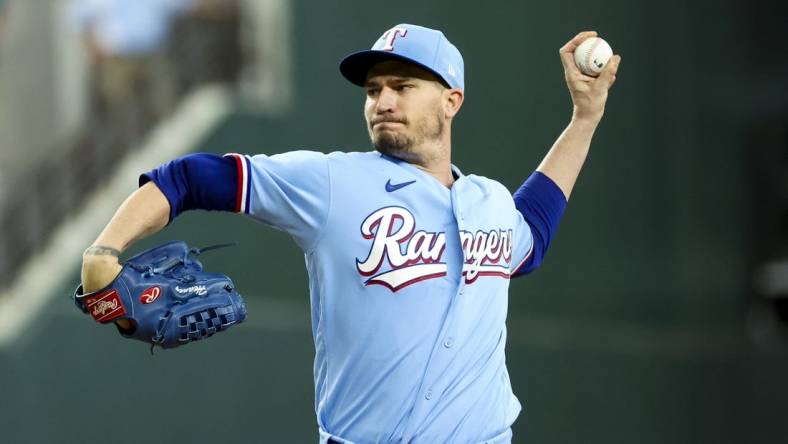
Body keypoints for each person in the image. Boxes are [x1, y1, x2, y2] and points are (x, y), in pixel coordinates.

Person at [81, 24, 620, 444]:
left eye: (402, 86)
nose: (383, 100)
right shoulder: (333, 183)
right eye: (373, 89)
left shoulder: (491, 203)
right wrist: (104, 250)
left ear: (451, 101)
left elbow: (534, 229)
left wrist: (585, 116)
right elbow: (191, 178)